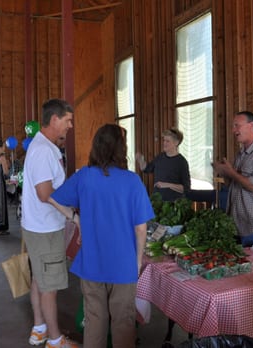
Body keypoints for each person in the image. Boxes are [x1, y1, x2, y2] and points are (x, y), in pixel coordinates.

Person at [49, 124, 155, 348]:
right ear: (120, 148)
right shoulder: (132, 181)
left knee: (95, 320)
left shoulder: (85, 176)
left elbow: (53, 198)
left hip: (92, 262)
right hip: (123, 263)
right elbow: (140, 228)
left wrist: (74, 218)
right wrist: (138, 261)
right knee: (123, 322)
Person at [21, 99, 78, 348]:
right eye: (67, 120)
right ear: (54, 119)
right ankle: (55, 340)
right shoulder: (44, 150)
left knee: (39, 280)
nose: (70, 125)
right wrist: (72, 216)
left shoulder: (43, 146)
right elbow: (45, 193)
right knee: (50, 287)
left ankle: (39, 328)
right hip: (44, 229)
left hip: (37, 226)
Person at [212, 111, 253, 247]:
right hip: (239, 227)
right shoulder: (241, 153)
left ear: (251, 125)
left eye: (237, 125)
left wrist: (232, 172)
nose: (233, 130)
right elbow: (234, 184)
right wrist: (224, 173)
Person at [136, 127, 191, 201]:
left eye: (167, 141)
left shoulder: (182, 162)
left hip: (172, 206)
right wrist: (141, 160)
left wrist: (167, 185)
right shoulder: (160, 157)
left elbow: (186, 189)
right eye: (164, 140)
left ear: (176, 143)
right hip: (157, 203)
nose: (164, 143)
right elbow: (146, 169)